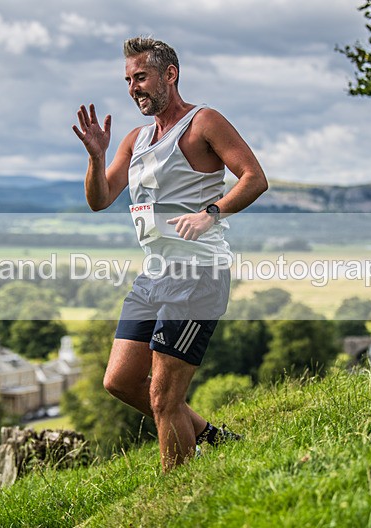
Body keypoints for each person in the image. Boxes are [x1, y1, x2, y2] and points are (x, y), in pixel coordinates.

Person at [72, 36, 268, 472]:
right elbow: (99, 199)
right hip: (154, 274)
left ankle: (175, 491)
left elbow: (254, 177)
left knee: (164, 398)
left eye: (141, 77)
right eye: (128, 80)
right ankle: (212, 438)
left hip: (197, 273)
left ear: (170, 75)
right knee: (120, 381)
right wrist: (96, 157)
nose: (133, 88)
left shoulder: (203, 122)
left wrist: (211, 214)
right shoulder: (136, 139)